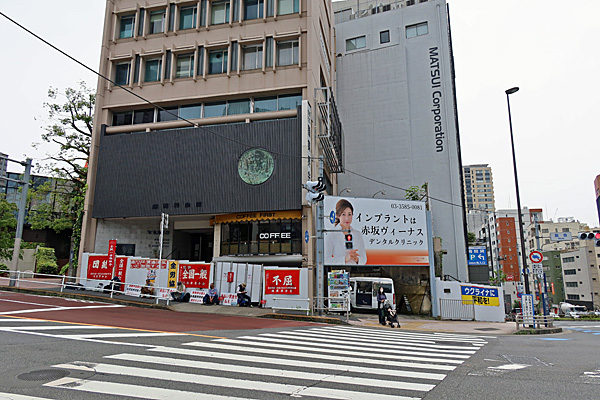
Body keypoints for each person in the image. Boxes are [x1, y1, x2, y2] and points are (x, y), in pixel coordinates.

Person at [325, 199, 367, 265]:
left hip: (355, 270)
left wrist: (357, 259)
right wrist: (345, 259)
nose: (347, 218)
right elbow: (326, 260)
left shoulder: (357, 234)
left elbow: (364, 259)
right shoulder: (332, 234)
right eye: (343, 214)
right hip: (339, 270)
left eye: (349, 214)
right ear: (338, 215)